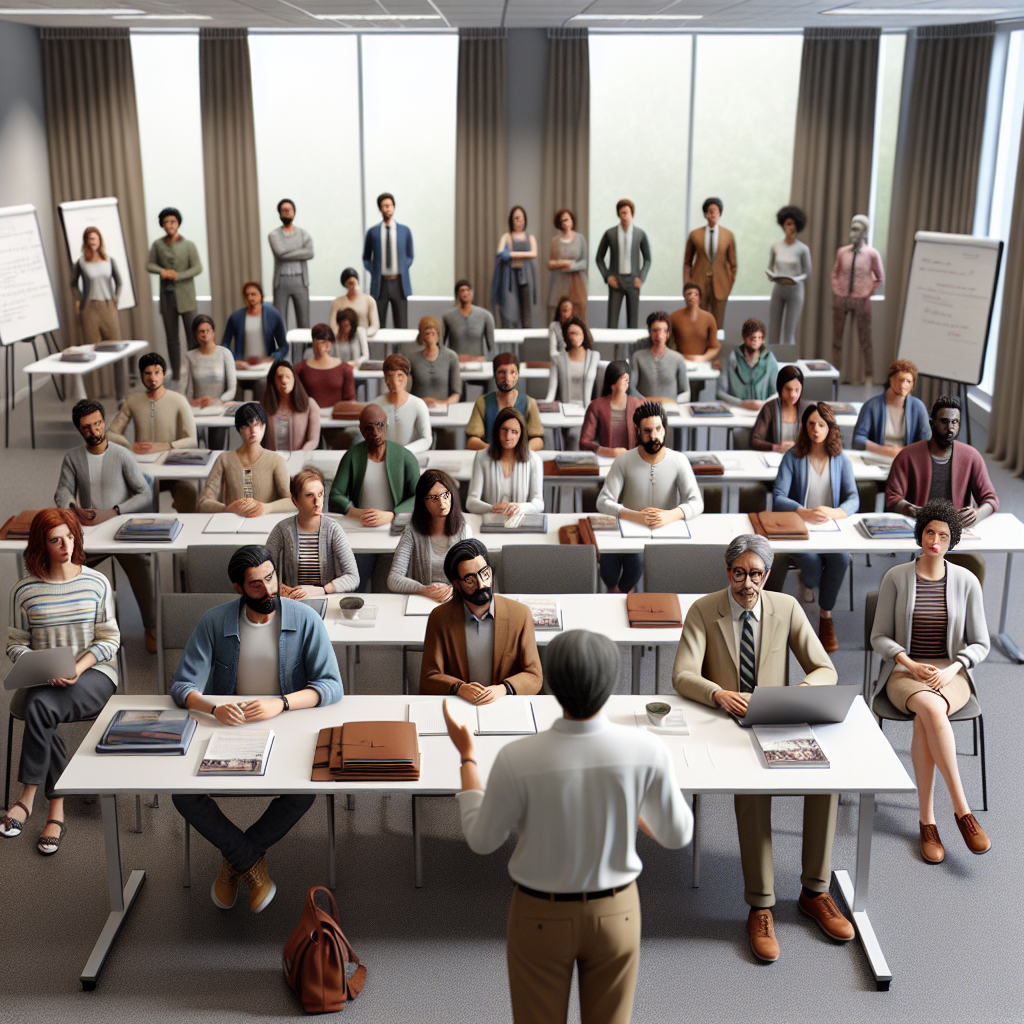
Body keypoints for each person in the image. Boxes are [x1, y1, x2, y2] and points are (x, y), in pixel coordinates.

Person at [444, 629, 692, 1024]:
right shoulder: (648, 750)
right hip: (618, 913)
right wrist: (632, 809)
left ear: (554, 685)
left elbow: (481, 839)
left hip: (539, 914)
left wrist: (468, 759)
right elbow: (678, 834)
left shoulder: (516, 757)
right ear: (612, 681)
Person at [672, 534, 853, 962]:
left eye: (756, 574)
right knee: (753, 796)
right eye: (739, 573)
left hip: (780, 719)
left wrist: (805, 690)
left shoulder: (786, 607)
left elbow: (824, 667)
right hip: (726, 723)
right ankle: (761, 903)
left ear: (768, 575)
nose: (747, 583)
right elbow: (681, 674)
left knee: (827, 781)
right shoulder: (703, 610)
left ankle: (815, 892)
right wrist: (718, 694)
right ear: (728, 572)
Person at [169, 545, 343, 913]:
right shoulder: (214, 622)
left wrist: (280, 702)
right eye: (255, 585)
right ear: (237, 588)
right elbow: (183, 687)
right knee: (181, 794)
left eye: (271, 578)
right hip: (225, 732)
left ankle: (237, 861)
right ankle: (249, 861)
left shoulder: (305, 618)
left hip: (286, 728)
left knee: (305, 789)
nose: (268, 591)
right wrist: (213, 706)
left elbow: (331, 686)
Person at [871, 500, 992, 861]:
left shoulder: (967, 581)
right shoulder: (896, 577)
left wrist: (954, 668)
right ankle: (962, 810)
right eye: (929, 532)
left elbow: (981, 643)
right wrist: (907, 661)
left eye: (943, 535)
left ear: (952, 540)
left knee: (929, 715)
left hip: (951, 671)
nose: (934, 541)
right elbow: (879, 637)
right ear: (919, 534)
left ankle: (928, 821)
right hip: (904, 672)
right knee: (929, 707)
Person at [1, 509, 120, 853]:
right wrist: (39, 667)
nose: (66, 546)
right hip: (44, 677)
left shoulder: (97, 582)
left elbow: (109, 641)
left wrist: (78, 668)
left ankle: (30, 797)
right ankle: (55, 808)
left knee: (39, 707)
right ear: (42, 545)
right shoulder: (23, 591)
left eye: (69, 537)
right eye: (55, 540)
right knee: (42, 705)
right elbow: (15, 644)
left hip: (94, 674)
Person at [54, 398, 157, 650]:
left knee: (141, 566)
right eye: (87, 427)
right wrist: (73, 508)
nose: (94, 431)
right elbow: (63, 491)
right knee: (67, 565)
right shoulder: (73, 458)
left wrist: (114, 511)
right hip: (89, 532)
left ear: (104, 422)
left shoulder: (122, 455)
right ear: (80, 429)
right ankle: (76, 627)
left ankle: (151, 626)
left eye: (98, 424)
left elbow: (145, 493)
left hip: (121, 529)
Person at [770, 403, 859, 652]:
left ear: (830, 427)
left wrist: (834, 512)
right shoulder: (793, 456)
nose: (816, 429)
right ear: (804, 427)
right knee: (810, 563)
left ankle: (825, 616)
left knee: (841, 559)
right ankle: (808, 581)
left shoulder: (841, 459)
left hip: (831, 528)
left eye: (822, 424)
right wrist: (802, 511)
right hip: (800, 529)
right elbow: (778, 497)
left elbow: (854, 498)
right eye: (811, 424)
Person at [885, 396, 998, 582]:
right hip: (921, 532)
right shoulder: (908, 455)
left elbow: (991, 499)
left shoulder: (971, 456)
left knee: (972, 568)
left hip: (955, 532)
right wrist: (912, 509)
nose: (950, 428)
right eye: (944, 422)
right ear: (932, 423)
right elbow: (892, 498)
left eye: (955, 422)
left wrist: (978, 514)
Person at [596, 401, 704, 593]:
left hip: (667, 535)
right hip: (630, 533)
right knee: (613, 563)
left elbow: (697, 502)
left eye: (658, 429)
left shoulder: (679, 461)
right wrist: (634, 516)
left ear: (664, 428)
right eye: (647, 431)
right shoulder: (624, 461)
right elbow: (603, 501)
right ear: (637, 430)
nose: (653, 436)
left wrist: (669, 515)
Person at [420, 539, 543, 700]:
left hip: (505, 704)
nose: (481, 584)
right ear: (456, 584)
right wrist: (459, 688)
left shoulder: (520, 614)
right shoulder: (440, 618)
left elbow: (534, 675)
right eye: (470, 580)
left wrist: (503, 689)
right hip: (459, 703)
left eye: (485, 574)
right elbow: (429, 677)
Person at [107, 352, 198, 513]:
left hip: (170, 469)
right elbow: (111, 433)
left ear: (164, 374)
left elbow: (192, 440)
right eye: (147, 373)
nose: (152, 378)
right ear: (142, 376)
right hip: (141, 470)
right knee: (131, 498)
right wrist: (129, 447)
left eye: (157, 372)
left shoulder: (178, 400)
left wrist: (164, 446)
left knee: (188, 493)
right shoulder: (133, 401)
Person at [266, 467, 359, 598]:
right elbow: (262, 572)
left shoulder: (333, 529)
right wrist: (280, 588)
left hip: (325, 599)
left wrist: (323, 590)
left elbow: (353, 577)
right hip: (292, 600)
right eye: (309, 495)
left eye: (320, 494)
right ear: (296, 500)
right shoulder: (282, 530)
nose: (317, 502)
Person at [327, 404, 420, 525]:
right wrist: (355, 512)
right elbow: (335, 495)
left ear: (386, 425)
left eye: (380, 425)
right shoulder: (352, 456)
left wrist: (393, 514)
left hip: (396, 526)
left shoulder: (406, 457)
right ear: (361, 430)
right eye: (369, 428)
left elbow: (419, 496)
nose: (376, 433)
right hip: (360, 524)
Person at [387, 469, 472, 599]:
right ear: (423, 502)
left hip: (456, 601)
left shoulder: (464, 531)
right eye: (433, 498)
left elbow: (472, 577)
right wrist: (424, 589)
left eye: (445, 495)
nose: (442, 503)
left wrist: (452, 590)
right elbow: (394, 578)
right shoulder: (412, 532)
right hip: (422, 601)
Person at [198, 403, 292, 517]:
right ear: (239, 430)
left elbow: (292, 501)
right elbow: (203, 503)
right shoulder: (224, 459)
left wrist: (265, 508)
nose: (253, 430)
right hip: (232, 525)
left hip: (265, 525)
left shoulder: (276, 460)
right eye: (246, 426)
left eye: (257, 424)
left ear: (264, 426)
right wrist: (227, 508)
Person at [146, 206, 202, 381]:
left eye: (173, 221)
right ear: (162, 225)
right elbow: (149, 264)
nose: (170, 225)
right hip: (167, 297)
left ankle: (194, 373)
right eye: (166, 222)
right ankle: (176, 374)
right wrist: (162, 271)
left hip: (186, 296)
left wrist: (179, 276)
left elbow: (197, 267)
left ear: (178, 224)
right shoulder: (158, 244)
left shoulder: (188, 245)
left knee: (192, 337)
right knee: (172, 339)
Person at [831, 214, 884, 384]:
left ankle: (869, 376)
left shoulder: (871, 254)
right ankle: (835, 375)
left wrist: (868, 291)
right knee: (837, 339)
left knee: (865, 340)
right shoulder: (842, 252)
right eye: (852, 229)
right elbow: (835, 273)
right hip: (842, 299)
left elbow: (879, 277)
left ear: (865, 232)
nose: (853, 233)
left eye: (857, 230)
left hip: (861, 300)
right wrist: (838, 289)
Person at [466, 408, 544, 516]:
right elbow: (471, 502)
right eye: (504, 430)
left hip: (520, 522)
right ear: (497, 431)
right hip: (490, 522)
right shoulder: (481, 457)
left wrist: (520, 507)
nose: (508, 437)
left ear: (521, 434)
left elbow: (539, 503)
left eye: (514, 432)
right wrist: (491, 509)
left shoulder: (534, 460)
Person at [852, 358, 930, 458]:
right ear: (891, 379)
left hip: (907, 459)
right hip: (877, 458)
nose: (904, 385)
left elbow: (927, 441)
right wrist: (882, 450)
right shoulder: (872, 405)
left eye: (908, 381)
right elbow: (858, 439)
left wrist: (904, 451)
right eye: (901, 380)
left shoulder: (918, 407)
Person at [466, 354, 544, 452]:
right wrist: (492, 450)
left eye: (512, 372)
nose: (507, 378)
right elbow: (472, 440)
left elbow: (538, 439)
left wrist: (522, 451)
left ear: (518, 374)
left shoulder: (529, 403)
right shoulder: (483, 403)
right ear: (495, 374)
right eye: (502, 372)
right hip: (491, 457)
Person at [595, 199, 651, 328]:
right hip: (616, 279)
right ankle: (613, 348)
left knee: (633, 321)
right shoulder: (610, 233)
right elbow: (599, 258)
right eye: (622, 213)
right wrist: (607, 276)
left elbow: (647, 259)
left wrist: (641, 277)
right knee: (612, 321)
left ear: (632, 214)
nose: (624, 216)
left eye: (627, 213)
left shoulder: (640, 234)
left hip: (633, 281)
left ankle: (632, 348)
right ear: (618, 214)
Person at [684, 197, 737, 330]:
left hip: (721, 286)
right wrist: (688, 284)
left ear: (720, 214)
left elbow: (733, 264)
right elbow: (687, 262)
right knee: (698, 323)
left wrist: (728, 284)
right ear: (706, 214)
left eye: (716, 211)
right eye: (710, 211)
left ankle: (716, 350)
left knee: (718, 326)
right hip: (698, 284)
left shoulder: (728, 235)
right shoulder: (695, 234)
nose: (713, 214)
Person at [363, 192, 414, 328]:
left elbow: (410, 256)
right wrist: (375, 271)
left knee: (401, 323)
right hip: (381, 284)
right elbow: (366, 258)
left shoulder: (404, 231)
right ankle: (381, 350)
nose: (388, 209)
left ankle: (400, 350)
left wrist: (402, 268)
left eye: (390, 205)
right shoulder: (373, 232)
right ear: (380, 208)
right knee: (378, 323)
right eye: (385, 206)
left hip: (399, 283)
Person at [767, 205, 812, 347]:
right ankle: (771, 363)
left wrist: (796, 279)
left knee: (789, 332)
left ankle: (788, 365)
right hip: (779, 289)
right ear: (782, 225)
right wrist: (771, 276)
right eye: (787, 223)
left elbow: (807, 272)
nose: (789, 227)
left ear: (797, 226)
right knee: (773, 329)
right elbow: (771, 266)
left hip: (795, 290)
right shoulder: (776, 246)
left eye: (792, 224)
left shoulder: (802, 249)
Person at [72, 226, 122, 355]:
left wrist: (115, 298)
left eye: (95, 238)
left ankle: (114, 375)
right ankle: (95, 376)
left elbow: (119, 282)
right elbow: (73, 284)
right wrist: (78, 300)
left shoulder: (109, 260)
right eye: (90, 239)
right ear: (86, 242)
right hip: (89, 308)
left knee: (115, 345)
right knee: (91, 348)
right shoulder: (81, 262)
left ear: (100, 241)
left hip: (108, 307)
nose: (93, 241)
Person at [580, 360, 644, 458]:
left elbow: (647, 436)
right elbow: (584, 443)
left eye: (626, 379)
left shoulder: (638, 405)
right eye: (622, 378)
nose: (625, 382)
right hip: (605, 460)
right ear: (612, 383)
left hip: (632, 461)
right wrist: (605, 451)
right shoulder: (596, 406)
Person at [221, 281, 288, 369]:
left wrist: (272, 358)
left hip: (266, 367)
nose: (250, 298)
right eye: (247, 295)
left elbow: (284, 346)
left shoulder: (273, 315)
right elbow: (225, 344)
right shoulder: (236, 317)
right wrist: (233, 359)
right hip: (243, 366)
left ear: (261, 295)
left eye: (253, 294)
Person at [268, 198, 313, 329]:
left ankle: (304, 349)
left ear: (294, 212)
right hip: (281, 280)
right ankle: (283, 349)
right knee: (280, 320)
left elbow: (310, 253)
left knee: (304, 321)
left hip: (300, 280)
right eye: (284, 210)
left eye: (289, 210)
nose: (287, 212)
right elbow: (280, 253)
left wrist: (287, 253)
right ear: (279, 213)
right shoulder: (274, 235)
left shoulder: (303, 233)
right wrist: (300, 251)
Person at [260, 359, 320, 453]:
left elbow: (313, 440)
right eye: (279, 377)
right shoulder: (264, 406)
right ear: (273, 382)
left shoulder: (310, 405)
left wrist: (300, 454)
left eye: (288, 377)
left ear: (294, 380)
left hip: (299, 460)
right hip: (271, 461)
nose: (284, 380)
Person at [718, 318, 779, 411]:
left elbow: (776, 393)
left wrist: (763, 404)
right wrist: (742, 404)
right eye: (752, 338)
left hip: (762, 411)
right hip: (737, 410)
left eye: (759, 338)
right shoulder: (731, 358)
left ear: (763, 340)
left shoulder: (769, 359)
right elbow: (720, 393)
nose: (755, 342)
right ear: (744, 337)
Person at [493, 206, 539, 329]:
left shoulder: (530, 237)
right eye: (517, 218)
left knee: (526, 308)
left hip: (526, 276)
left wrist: (512, 254)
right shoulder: (506, 237)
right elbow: (500, 253)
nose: (520, 221)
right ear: (512, 220)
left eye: (522, 218)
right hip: (509, 277)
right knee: (509, 305)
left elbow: (534, 253)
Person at [631, 311, 690, 403]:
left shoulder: (678, 359)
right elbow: (631, 389)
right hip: (645, 409)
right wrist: (645, 401)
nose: (659, 336)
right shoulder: (638, 357)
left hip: (671, 409)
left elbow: (686, 392)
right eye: (655, 330)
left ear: (667, 334)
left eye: (663, 331)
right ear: (650, 332)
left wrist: (672, 402)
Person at [295, 323, 356, 410]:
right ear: (314, 341)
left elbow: (350, 399)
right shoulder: (300, 368)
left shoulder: (345, 369)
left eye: (329, 341)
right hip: (309, 415)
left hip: (337, 416)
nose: (327, 346)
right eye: (322, 342)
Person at [380, 352, 432, 454]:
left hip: (410, 458)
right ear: (386, 379)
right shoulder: (376, 406)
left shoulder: (418, 405)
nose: (395, 381)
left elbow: (427, 439)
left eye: (400, 375)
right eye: (390, 376)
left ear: (407, 378)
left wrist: (404, 451)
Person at [751, 365, 809, 453]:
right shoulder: (770, 408)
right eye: (788, 389)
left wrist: (799, 446)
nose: (793, 395)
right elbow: (755, 441)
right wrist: (776, 447)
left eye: (796, 390)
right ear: (780, 388)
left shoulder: (808, 410)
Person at [182, 315, 237, 408]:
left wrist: (217, 400)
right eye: (201, 331)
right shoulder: (189, 357)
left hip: (220, 406)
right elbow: (184, 389)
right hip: (197, 407)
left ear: (213, 332)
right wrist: (191, 402)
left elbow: (232, 389)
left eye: (208, 330)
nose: (205, 334)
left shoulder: (225, 353)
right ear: (195, 335)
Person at [545, 315, 599, 406]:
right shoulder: (558, 359)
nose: (575, 337)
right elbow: (551, 392)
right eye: (572, 334)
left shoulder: (594, 357)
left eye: (577, 333)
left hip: (588, 409)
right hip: (565, 409)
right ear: (566, 336)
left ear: (583, 334)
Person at [409, 315, 462, 408]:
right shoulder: (412, 359)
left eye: (433, 333)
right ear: (421, 337)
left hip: (444, 408)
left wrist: (442, 404)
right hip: (418, 408)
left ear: (438, 335)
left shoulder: (451, 357)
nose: (430, 337)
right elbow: (404, 390)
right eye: (427, 334)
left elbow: (456, 393)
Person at [546, 207, 588, 323]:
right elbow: (550, 263)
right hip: (560, 280)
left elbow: (584, 262)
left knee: (578, 309)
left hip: (576, 281)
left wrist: (571, 266)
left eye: (567, 220)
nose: (565, 223)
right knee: (559, 310)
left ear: (572, 221)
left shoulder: (580, 239)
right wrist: (560, 264)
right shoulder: (555, 241)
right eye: (562, 220)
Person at [442, 280, 496, 359]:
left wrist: (486, 359)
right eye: (462, 290)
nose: (465, 293)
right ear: (457, 293)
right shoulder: (448, 317)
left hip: (478, 363)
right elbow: (440, 345)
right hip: (456, 363)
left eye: (468, 290)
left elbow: (492, 347)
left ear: (472, 293)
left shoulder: (485, 316)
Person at [668, 282, 720, 363]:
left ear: (700, 298)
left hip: (702, 362)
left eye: (696, 294)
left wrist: (702, 358)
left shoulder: (708, 318)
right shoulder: (674, 317)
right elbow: (665, 341)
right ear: (684, 297)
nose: (692, 297)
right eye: (689, 294)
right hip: (680, 361)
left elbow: (714, 347)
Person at [329, 267, 380, 339]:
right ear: (345, 284)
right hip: (344, 340)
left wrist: (364, 334)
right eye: (349, 283)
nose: (352, 286)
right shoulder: (337, 302)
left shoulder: (369, 300)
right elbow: (333, 325)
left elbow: (375, 325)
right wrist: (341, 335)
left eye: (354, 283)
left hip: (363, 338)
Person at [548, 296, 575, 362]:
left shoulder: (576, 326)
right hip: (560, 360)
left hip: (575, 359)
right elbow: (553, 351)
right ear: (559, 311)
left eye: (568, 310)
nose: (566, 313)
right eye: (564, 310)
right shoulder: (554, 326)